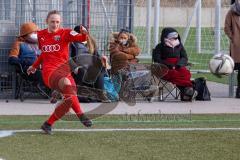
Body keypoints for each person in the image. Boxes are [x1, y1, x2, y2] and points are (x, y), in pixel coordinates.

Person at [27, 10, 92, 134]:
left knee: (69, 100)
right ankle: (81, 115)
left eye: (57, 22)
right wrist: (35, 66)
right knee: (67, 85)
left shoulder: (66, 33)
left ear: (60, 22)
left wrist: (84, 32)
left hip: (65, 71)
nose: (55, 24)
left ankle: (48, 124)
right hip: (49, 72)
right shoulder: (41, 35)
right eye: (52, 21)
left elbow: (82, 38)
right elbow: (43, 55)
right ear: (47, 22)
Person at [152, 27, 197, 101]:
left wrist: (179, 64)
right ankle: (188, 90)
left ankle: (187, 92)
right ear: (165, 36)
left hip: (178, 65)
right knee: (173, 73)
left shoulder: (179, 45)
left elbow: (184, 57)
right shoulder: (159, 46)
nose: (174, 38)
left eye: (175, 36)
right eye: (172, 36)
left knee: (185, 73)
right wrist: (168, 65)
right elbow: (157, 59)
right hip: (165, 68)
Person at [70, 25, 108, 102]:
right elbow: (67, 57)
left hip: (90, 67)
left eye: (84, 32)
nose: (83, 34)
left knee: (100, 68)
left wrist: (102, 58)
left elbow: (97, 55)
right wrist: (75, 67)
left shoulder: (91, 42)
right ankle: (79, 94)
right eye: (80, 33)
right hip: (78, 68)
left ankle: (100, 94)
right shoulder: (71, 43)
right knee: (82, 70)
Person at [8, 22, 44, 86]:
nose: (36, 34)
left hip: (42, 68)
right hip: (28, 70)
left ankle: (55, 94)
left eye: (37, 32)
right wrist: (27, 61)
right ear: (25, 34)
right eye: (34, 32)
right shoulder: (19, 44)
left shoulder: (38, 44)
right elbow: (12, 59)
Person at [224, 1, 240, 98]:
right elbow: (226, 27)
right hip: (237, 46)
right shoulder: (231, 12)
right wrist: (233, 38)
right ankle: (238, 91)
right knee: (237, 69)